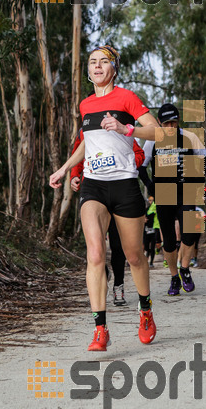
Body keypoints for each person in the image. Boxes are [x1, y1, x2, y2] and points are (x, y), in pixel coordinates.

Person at [49, 44, 159, 351]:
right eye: (92, 62)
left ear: (114, 68)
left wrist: (128, 128)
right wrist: (64, 169)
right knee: (95, 254)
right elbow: (86, 142)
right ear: (87, 71)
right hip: (94, 185)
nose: (97, 66)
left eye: (104, 61)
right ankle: (100, 329)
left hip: (125, 184)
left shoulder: (126, 98)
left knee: (135, 255)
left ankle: (145, 310)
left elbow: (159, 132)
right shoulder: (85, 105)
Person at [70, 130, 146, 306]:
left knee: (119, 247)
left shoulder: (118, 127)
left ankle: (118, 285)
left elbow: (139, 154)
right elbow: (78, 153)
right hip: (95, 193)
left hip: (120, 194)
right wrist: (74, 174)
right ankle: (102, 274)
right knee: (96, 249)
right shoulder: (85, 130)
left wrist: (124, 165)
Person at [139, 103, 206, 296]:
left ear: (179, 121)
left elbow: (205, 158)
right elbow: (141, 166)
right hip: (164, 193)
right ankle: (174, 277)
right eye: (167, 123)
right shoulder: (153, 140)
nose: (170, 127)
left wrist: (199, 180)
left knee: (190, 233)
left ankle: (184, 268)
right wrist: (151, 187)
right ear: (160, 123)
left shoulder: (189, 137)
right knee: (168, 241)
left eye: (174, 123)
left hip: (186, 190)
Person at [144, 195, 160, 267]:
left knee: (153, 246)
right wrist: (143, 220)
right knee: (146, 247)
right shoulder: (146, 210)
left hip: (154, 229)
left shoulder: (156, 208)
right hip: (146, 230)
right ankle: (148, 252)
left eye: (152, 200)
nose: (150, 201)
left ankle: (151, 262)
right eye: (149, 200)